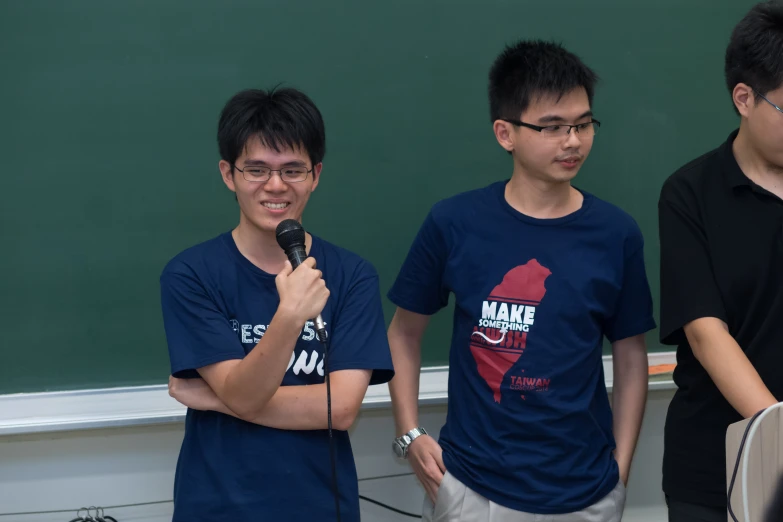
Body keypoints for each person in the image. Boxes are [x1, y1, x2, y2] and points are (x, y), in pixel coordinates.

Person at [386, 39, 655, 521]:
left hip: (586, 492)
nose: (573, 140)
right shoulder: (454, 223)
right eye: (552, 127)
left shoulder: (616, 234)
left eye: (583, 123)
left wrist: (622, 466)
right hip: (474, 489)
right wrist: (409, 433)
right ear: (505, 133)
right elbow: (404, 333)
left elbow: (631, 355)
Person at [159, 87, 394, 521]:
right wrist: (289, 315)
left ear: (316, 175)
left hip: (319, 506)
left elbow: (340, 409)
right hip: (218, 506)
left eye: (293, 170)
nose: (275, 185)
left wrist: (213, 398)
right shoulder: (191, 274)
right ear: (228, 174)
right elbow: (246, 395)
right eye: (257, 170)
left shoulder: (353, 275)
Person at [658, 2, 783, 520]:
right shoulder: (690, 194)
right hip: (718, 466)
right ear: (744, 99)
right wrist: (777, 432)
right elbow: (708, 334)